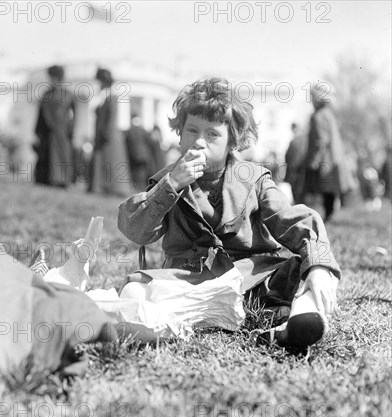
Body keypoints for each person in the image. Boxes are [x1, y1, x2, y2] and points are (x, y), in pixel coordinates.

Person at [118, 77, 340, 351]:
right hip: (189, 281)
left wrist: (318, 266)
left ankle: (298, 322)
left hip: (250, 280)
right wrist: (172, 185)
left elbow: (295, 220)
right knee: (134, 289)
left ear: (232, 141)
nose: (198, 142)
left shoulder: (253, 177)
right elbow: (135, 229)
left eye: (212, 134)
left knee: (309, 271)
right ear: (179, 132)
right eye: (191, 130)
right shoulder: (167, 180)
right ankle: (163, 324)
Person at [304, 84, 349, 222]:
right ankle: (329, 215)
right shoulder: (329, 114)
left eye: (312, 97)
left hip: (325, 159)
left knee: (323, 190)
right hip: (334, 158)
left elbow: (321, 140)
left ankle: (325, 217)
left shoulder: (319, 116)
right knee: (329, 191)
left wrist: (314, 160)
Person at [88, 68, 132, 196]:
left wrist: (105, 134)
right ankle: (100, 187)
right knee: (103, 161)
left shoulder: (111, 97)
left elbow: (112, 118)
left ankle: (112, 188)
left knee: (110, 161)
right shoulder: (102, 97)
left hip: (109, 136)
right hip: (103, 135)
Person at [34, 65, 76, 187]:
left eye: (54, 78)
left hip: (62, 131)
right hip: (48, 131)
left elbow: (73, 114)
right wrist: (38, 131)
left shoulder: (68, 94)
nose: (52, 80)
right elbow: (41, 114)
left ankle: (63, 181)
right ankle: (47, 179)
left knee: (63, 155)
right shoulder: (46, 94)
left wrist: (70, 129)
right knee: (48, 155)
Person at [125, 114, 154, 191]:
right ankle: (141, 187)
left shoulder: (129, 131)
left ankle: (137, 187)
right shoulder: (143, 131)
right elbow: (150, 142)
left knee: (135, 173)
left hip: (133, 155)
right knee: (142, 173)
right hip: (144, 156)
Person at [283, 123, 308, 203]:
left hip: (296, 172)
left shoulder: (295, 141)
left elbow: (289, 158)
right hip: (301, 172)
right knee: (301, 194)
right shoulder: (305, 140)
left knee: (297, 194)